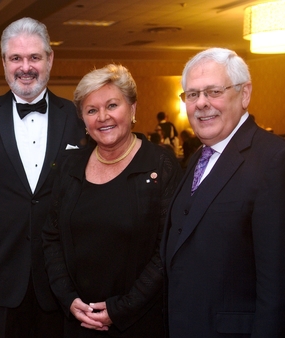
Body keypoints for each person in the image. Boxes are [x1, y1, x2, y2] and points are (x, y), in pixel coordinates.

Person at [163, 47, 285, 337]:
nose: (201, 104)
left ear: (244, 94)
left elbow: (284, 291)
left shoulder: (279, 161)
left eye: (213, 91)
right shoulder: (198, 157)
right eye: (192, 95)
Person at [0, 17, 87, 337]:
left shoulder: (78, 116)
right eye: (16, 58)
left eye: (34, 57)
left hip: (62, 274)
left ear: (50, 59)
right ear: (3, 62)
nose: (25, 67)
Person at [42, 64, 181, 337]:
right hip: (78, 318)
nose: (103, 117)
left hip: (139, 320)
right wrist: (68, 299)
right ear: (83, 119)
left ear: (133, 109)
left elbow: (166, 250)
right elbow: (51, 236)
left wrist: (121, 309)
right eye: (91, 110)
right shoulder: (70, 166)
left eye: (112, 105)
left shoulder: (161, 166)